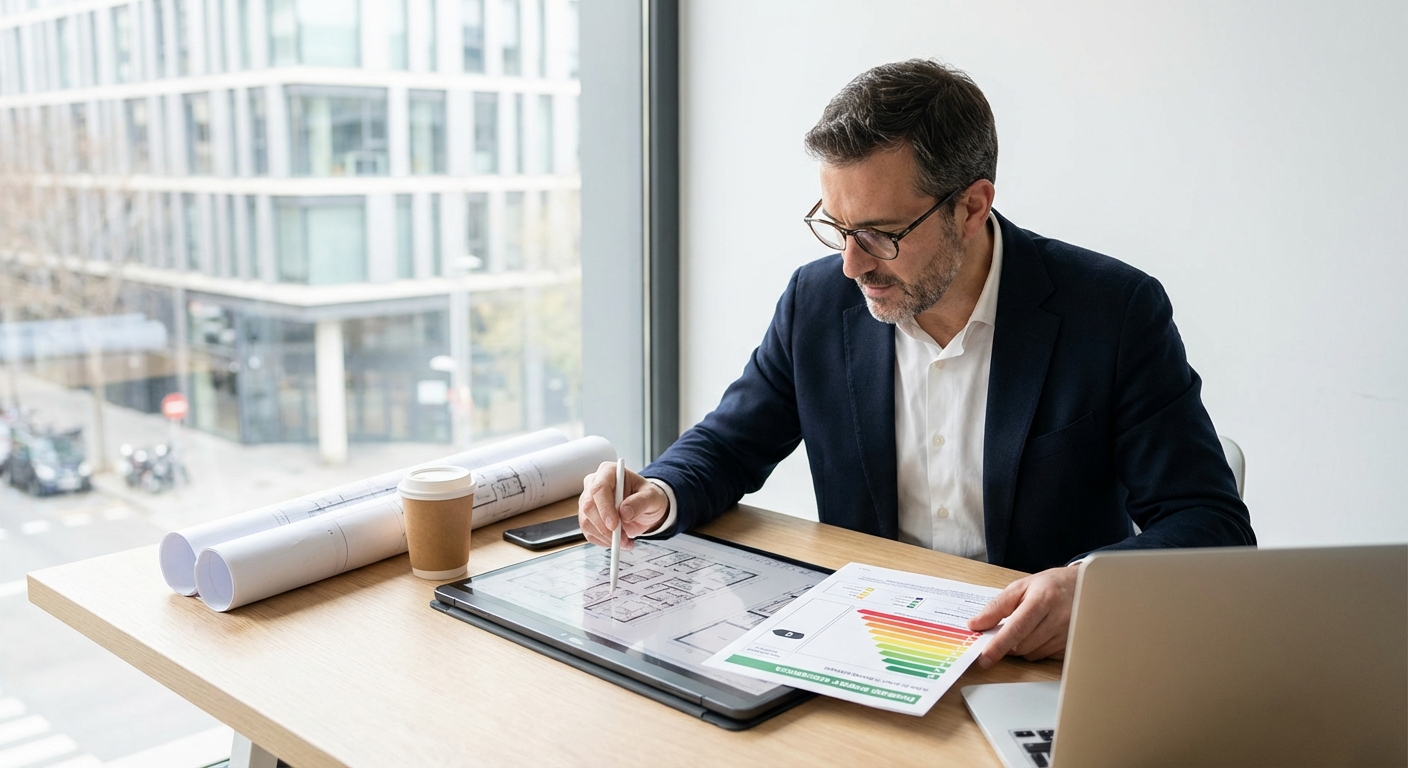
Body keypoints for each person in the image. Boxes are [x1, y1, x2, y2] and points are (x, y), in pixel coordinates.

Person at [578, 59, 1254, 667]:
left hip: (1035, 658)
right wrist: (657, 492)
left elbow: (1211, 523)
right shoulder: (816, 302)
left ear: (971, 206)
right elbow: (729, 444)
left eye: (881, 234)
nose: (851, 264)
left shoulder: (1112, 311)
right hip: (868, 642)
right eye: (838, 228)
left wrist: (1089, 584)